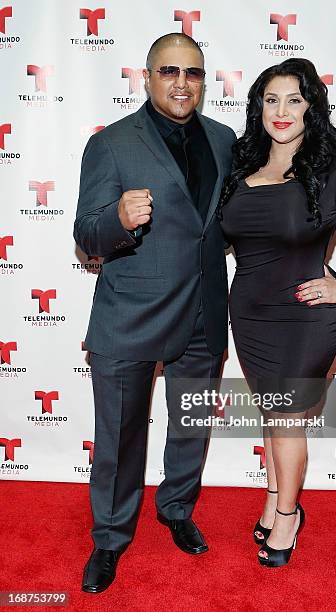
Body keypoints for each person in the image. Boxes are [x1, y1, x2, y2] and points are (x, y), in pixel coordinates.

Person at [74, 33, 236, 593]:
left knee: (191, 424)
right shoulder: (112, 143)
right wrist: (117, 216)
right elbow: (86, 233)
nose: (181, 82)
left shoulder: (224, 139)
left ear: (203, 80)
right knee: (119, 436)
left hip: (204, 311)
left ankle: (176, 508)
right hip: (131, 314)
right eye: (169, 71)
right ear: (146, 78)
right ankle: (111, 538)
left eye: (193, 72)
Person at [219, 58, 336, 568]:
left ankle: (289, 517)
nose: (281, 111)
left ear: (311, 107)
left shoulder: (333, 171)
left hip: (304, 319)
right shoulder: (242, 168)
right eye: (270, 100)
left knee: (285, 416)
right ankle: (275, 501)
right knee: (273, 416)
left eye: (294, 100)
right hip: (250, 316)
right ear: (258, 108)